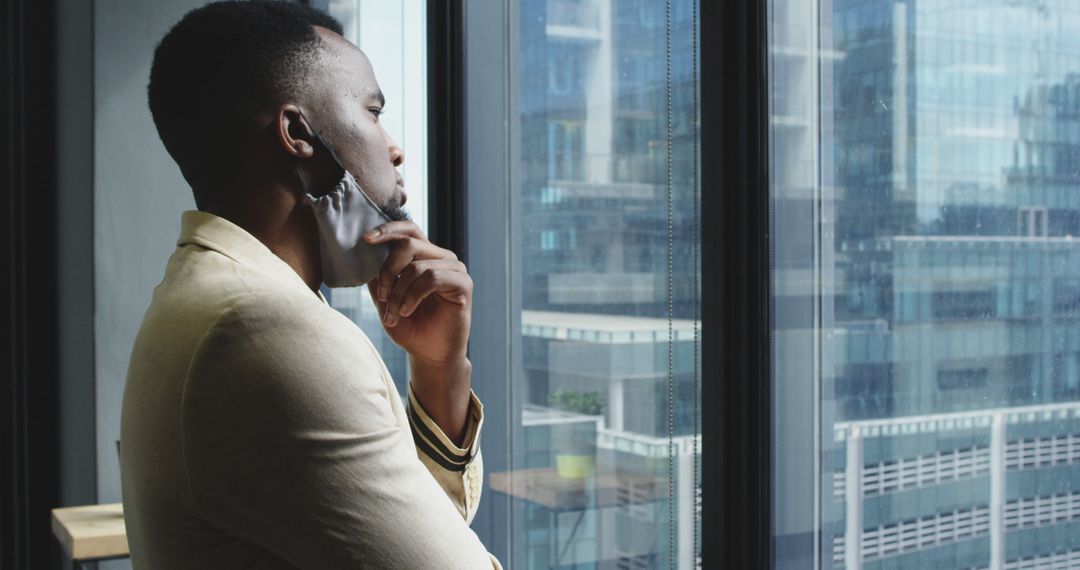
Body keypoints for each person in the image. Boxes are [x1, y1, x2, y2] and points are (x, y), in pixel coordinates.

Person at [119, 2, 500, 568]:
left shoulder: (203, 295)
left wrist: (440, 370)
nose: (394, 148)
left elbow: (416, 528)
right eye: (372, 112)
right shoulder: (264, 330)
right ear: (298, 132)